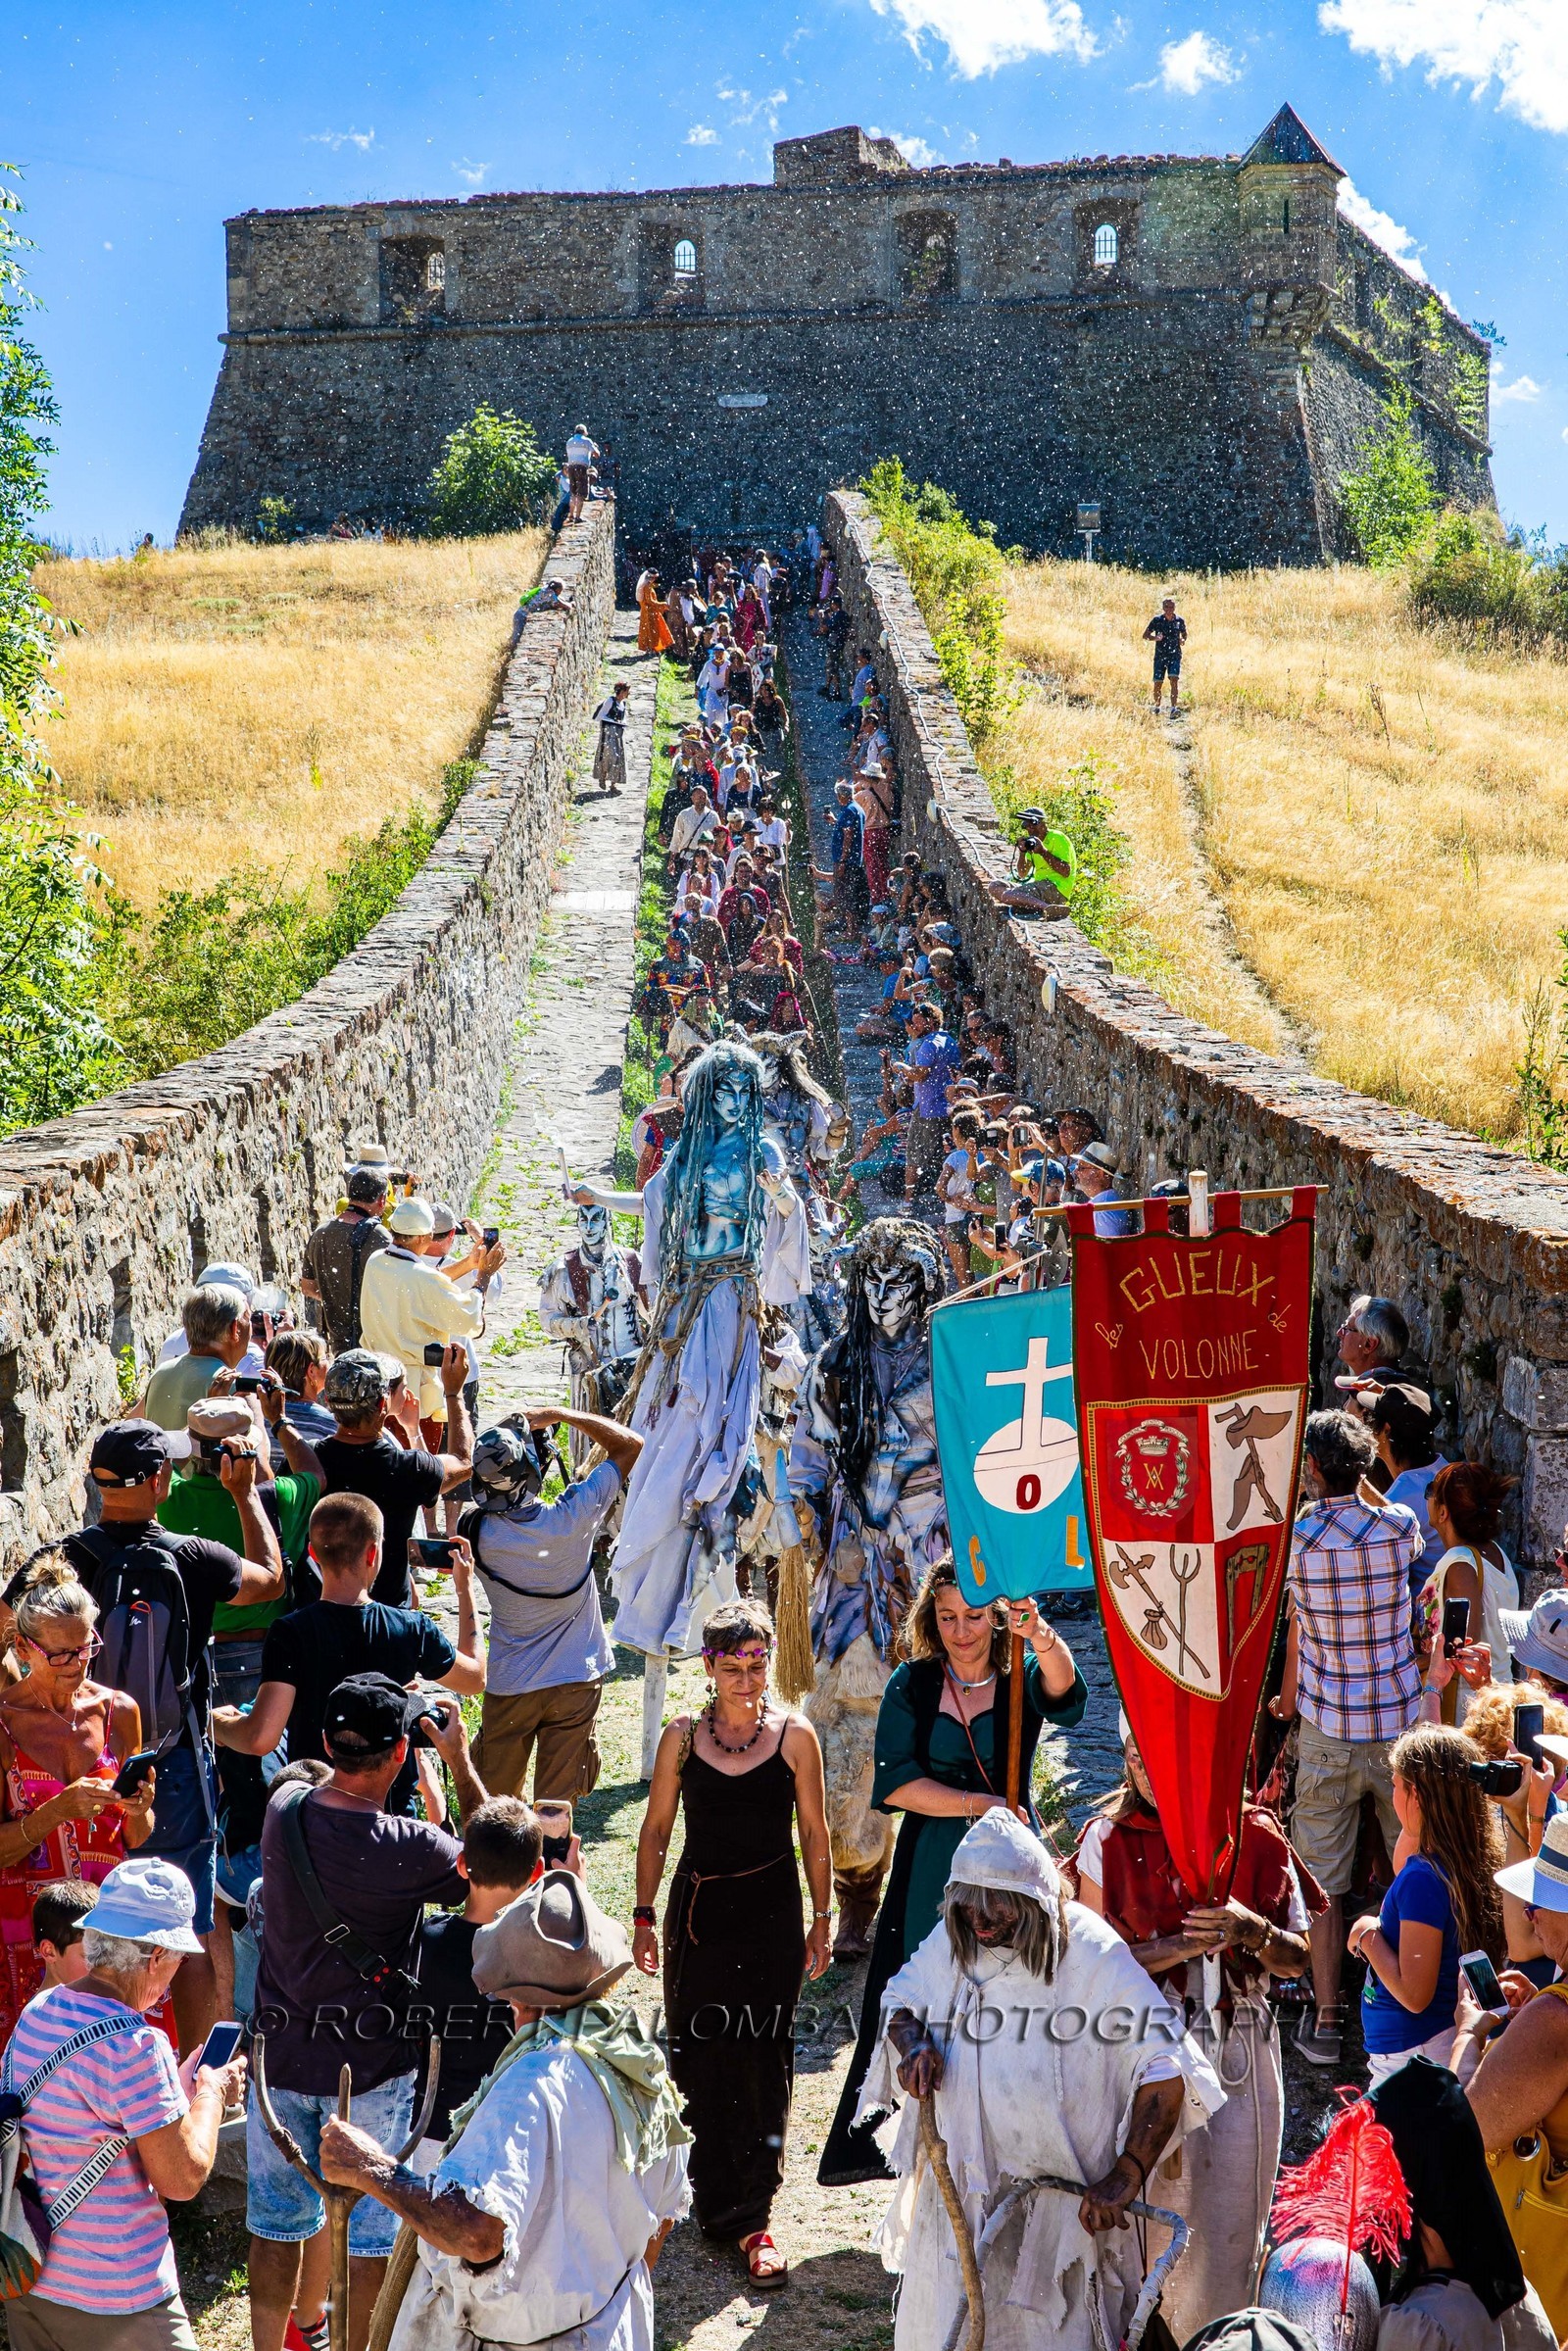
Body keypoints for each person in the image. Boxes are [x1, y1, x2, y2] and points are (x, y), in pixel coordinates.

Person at [858, 1808, 1223, 2351]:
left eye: (997, 1904)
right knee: (954, 2326)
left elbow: (1167, 2069)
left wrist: (1124, 2176)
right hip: (965, 2190)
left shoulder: (1092, 1952)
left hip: (1064, 2213)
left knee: (1055, 2330)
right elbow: (901, 1999)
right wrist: (915, 2046)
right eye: (969, 1902)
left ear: (1036, 1903)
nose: (981, 1920)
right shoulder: (955, 1939)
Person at [318, 1867, 690, 2351]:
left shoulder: (529, 2088)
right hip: (607, 2328)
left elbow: (477, 2234)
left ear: (514, 1998)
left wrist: (372, 2170)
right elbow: (660, 2215)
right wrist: (591, 2295)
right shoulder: (638, 2059)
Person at [818, 1557, 1086, 2185]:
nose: (960, 1630)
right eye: (946, 1617)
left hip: (1010, 1862)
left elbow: (1068, 1699)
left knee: (1014, 1992)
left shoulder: (1019, 1677)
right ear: (929, 1620)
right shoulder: (911, 1685)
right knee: (926, 1990)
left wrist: (1040, 1635)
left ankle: (1008, 2138)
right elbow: (899, 1783)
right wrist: (981, 1804)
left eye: (972, 1616)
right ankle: (915, 2142)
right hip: (934, 1859)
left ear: (995, 1618)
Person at [245, 1675, 486, 2351]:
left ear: (326, 1742)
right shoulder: (414, 1847)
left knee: (274, 2230)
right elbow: (498, 1859)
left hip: (280, 2057)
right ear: (402, 1751)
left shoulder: (284, 1805)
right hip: (371, 2071)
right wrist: (460, 1757)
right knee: (371, 2237)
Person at [45, 1418, 285, 2051]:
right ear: (160, 1480)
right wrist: (246, 1492)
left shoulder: (66, 1560)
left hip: (85, 1762)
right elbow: (272, 1577)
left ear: (95, 1480)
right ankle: (199, 2079)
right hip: (172, 1764)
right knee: (190, 1929)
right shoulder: (195, 1557)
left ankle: (94, 2063)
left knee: (88, 1920)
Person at [1073, 1721, 1320, 2336]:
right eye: (1135, 1756)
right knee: (1141, 2233)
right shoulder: (1106, 1838)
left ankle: (1226, 2341)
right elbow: (1086, 1962)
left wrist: (1250, 1930)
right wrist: (1178, 1946)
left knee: (1230, 2230)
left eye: (1157, 1757)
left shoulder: (1257, 1836)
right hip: (1138, 2053)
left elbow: (1300, 1958)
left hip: (1240, 2054)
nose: (1143, 1771)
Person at [633, 1599, 832, 2285]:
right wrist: (641, 1913)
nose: (747, 1678)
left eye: (757, 1663)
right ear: (710, 1666)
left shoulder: (796, 1734)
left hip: (773, 1912)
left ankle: (754, 2215)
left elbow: (814, 1831)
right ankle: (708, 2189)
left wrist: (824, 1914)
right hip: (699, 1913)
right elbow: (656, 1828)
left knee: (762, 2056)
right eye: (732, 1665)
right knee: (700, 2052)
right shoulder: (682, 1737)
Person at [4, 1854, 247, 2351]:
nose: (178, 1970)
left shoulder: (39, 2010)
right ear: (156, 1955)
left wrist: (174, 2087)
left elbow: (86, 2117)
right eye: (180, 1957)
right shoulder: (135, 2045)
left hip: (27, 2271)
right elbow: (182, 2177)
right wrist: (211, 2093)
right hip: (112, 2294)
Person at [1273, 1407, 1424, 2065]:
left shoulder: (1300, 1538)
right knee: (1410, 1869)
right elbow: (1381, 1510)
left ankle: (1329, 2017)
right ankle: (1406, 2003)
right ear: (1365, 1468)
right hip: (1397, 1728)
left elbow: (1296, 1628)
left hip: (1329, 1728)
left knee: (1325, 1885)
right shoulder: (1399, 1527)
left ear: (1311, 1469)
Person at [212, 1491, 485, 1817]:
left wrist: (217, 1724)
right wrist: (464, 1587)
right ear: (373, 1553)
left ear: (312, 1553)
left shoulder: (290, 1632)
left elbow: (261, 1738)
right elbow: (474, 1679)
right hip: (391, 1809)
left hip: (315, 1808)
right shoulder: (411, 1628)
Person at [0, 1555, 161, 2047]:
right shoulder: (3, 1726)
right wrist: (56, 1811)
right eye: (61, 1654)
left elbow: (135, 1837)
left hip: (108, 1927)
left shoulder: (119, 1711)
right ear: (25, 1649)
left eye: (86, 1647)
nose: (78, 1664)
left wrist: (140, 1808)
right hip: (29, 1933)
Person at [464, 1408, 643, 1805]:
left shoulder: (475, 1531)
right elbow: (629, 1444)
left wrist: (483, 1457)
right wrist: (557, 1414)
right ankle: (556, 1864)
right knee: (556, 1810)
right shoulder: (574, 1516)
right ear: (533, 1471)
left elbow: (440, 1484)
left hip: (512, 1682)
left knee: (495, 1806)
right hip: (576, 1677)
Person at [1348, 1723, 1503, 2083]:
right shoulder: (1460, 1859)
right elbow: (1403, 1855)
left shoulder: (1423, 1880)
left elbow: (1416, 1995)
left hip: (1412, 2056)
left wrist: (1368, 1936)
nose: (1391, 1792)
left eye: (1397, 1785)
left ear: (1417, 1796)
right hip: (1429, 2043)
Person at [410, 1796, 543, 2161]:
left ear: (463, 1865)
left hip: (428, 2130)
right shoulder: (542, 1953)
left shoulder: (427, 1940)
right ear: (537, 1871)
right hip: (512, 2127)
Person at [314, 1347, 475, 1609]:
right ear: (382, 1404)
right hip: (391, 1612)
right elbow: (463, 1462)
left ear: (330, 1402)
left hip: (320, 1610)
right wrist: (454, 1392)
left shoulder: (308, 1460)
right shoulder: (407, 1467)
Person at [359, 1196, 502, 1429]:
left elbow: (425, 1283)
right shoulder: (421, 1278)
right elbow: (469, 1319)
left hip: (376, 1384)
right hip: (412, 1395)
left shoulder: (377, 1261)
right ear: (425, 1237)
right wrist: (483, 1276)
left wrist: (468, 1263)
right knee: (418, 1461)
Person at [1413, 1464, 1520, 1711]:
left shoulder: (1460, 1562)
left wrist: (1409, 1665)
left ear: (1442, 1512)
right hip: (1492, 1692)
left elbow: (1461, 1649)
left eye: (1432, 1490)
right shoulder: (1495, 1553)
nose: (1427, 1497)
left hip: (1461, 1702)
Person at [1362, 1384, 1449, 1585]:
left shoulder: (1400, 1498)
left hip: (1426, 1606)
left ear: (1385, 1429)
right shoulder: (1444, 1468)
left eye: (1372, 1419)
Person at [300, 1166, 392, 1356]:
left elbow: (307, 1287)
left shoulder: (320, 1233)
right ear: (381, 1200)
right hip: (373, 1343)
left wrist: (336, 1295)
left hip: (335, 1344)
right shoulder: (378, 1235)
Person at [141, 1283, 253, 1430]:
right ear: (235, 1329)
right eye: (248, 1318)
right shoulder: (233, 1386)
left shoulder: (161, 1373)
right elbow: (259, 1451)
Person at [894, 1003, 959, 1212]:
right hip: (948, 1108)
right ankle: (947, 1199)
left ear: (930, 1020)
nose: (914, 1025)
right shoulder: (950, 1041)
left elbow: (920, 1074)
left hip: (927, 1108)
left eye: (917, 1021)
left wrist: (902, 1068)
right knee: (944, 1154)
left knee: (913, 1156)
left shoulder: (929, 1044)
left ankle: (908, 1202)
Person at [31, 1879, 98, 1989]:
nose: (105, 1969)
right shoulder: (41, 2007)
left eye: (107, 1954)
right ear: (49, 1951)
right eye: (90, 1957)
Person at [1144, 594, 1187, 713]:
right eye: (1167, 607)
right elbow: (1145, 635)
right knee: (1158, 682)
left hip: (1175, 655)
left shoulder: (1179, 621)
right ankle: (1157, 707)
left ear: (1174, 608)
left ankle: (1173, 707)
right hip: (1160, 656)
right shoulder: (1157, 620)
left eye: (1171, 607)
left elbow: (1184, 634)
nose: (1169, 609)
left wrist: (1182, 640)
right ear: (1163, 608)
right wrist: (1155, 638)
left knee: (1174, 679)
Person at [593, 678, 630, 794]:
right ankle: (602, 777)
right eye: (627, 691)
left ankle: (613, 784)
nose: (628, 693)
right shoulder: (610, 701)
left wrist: (622, 723)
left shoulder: (623, 704)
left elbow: (623, 718)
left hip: (618, 734)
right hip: (608, 733)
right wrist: (613, 721)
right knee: (608, 756)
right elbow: (600, 716)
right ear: (622, 691)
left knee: (618, 757)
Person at [564, 423, 598, 522]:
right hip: (581, 468)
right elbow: (596, 454)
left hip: (571, 467)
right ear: (584, 432)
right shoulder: (587, 441)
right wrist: (593, 448)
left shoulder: (569, 441)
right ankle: (578, 517)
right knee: (581, 493)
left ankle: (571, 515)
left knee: (573, 493)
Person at [637, 568, 673, 657]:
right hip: (650, 612)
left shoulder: (648, 585)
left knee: (649, 630)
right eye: (652, 577)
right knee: (652, 631)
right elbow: (650, 601)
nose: (654, 580)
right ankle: (651, 648)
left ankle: (651, 648)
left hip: (649, 611)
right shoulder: (647, 586)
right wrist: (662, 604)